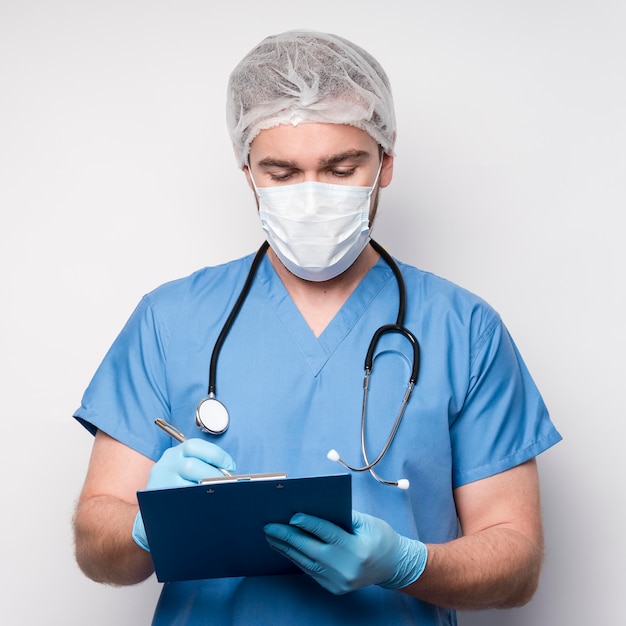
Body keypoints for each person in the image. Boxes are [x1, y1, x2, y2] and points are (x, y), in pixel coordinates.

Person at [72, 30, 561, 626]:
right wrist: (144, 527)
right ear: (246, 169)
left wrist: (406, 565)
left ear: (385, 163)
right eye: (281, 173)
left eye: (340, 168)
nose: (310, 197)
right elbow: (100, 555)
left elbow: (517, 564)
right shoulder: (170, 320)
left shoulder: (465, 330)